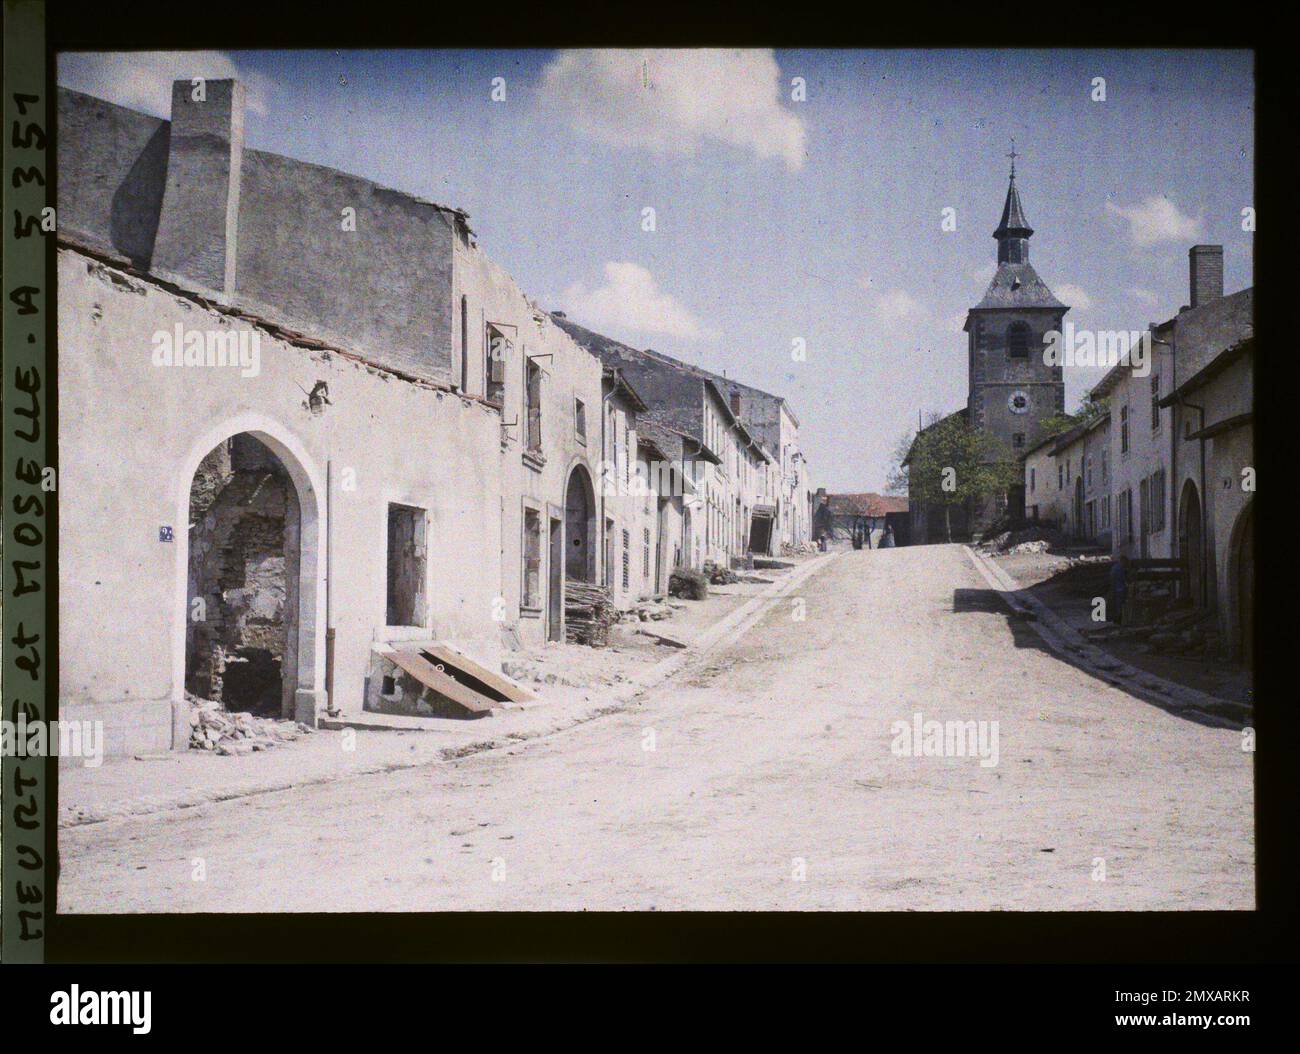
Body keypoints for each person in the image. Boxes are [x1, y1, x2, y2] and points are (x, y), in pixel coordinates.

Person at [1110, 554, 1128, 625]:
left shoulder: (1114, 568)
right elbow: (1123, 579)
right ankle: (1119, 619)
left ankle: (1116, 619)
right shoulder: (1120, 569)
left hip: (1116, 589)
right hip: (1120, 589)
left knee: (1117, 605)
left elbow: (1111, 578)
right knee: (1120, 605)